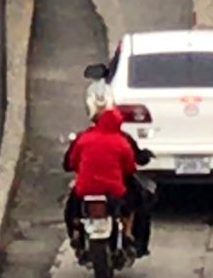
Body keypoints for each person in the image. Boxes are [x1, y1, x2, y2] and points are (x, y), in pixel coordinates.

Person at [62, 106, 149, 256]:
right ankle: (130, 233)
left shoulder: (83, 138)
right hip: (114, 190)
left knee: (71, 208)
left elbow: (70, 163)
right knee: (138, 202)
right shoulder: (122, 141)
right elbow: (130, 168)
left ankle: (76, 232)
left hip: (85, 188)